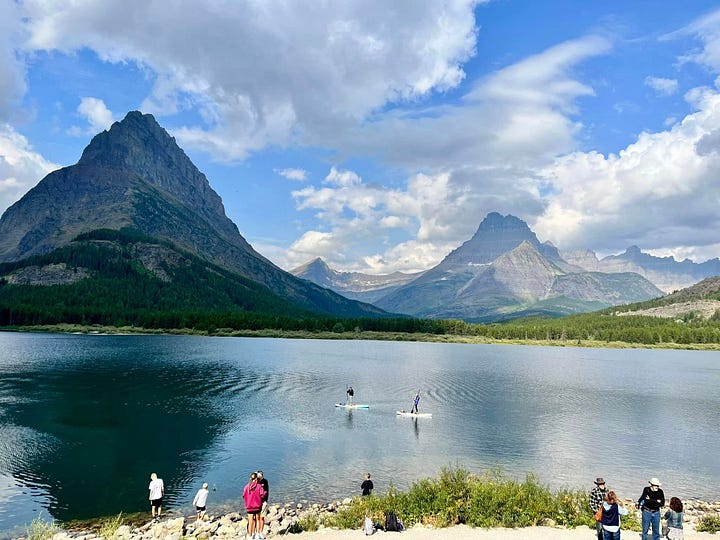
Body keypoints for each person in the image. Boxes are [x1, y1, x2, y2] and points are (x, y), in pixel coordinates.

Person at [242, 472, 266, 540]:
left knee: (250, 521)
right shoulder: (259, 486)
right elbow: (262, 495)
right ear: (256, 479)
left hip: (249, 507)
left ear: (250, 478)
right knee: (258, 520)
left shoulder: (246, 487)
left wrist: (247, 501)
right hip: (257, 506)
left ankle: (250, 535)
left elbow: (243, 495)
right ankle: (257, 535)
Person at [257, 471, 269, 539]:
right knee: (256, 518)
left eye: (259, 477)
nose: (258, 478)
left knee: (261, 517)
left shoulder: (265, 482)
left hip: (263, 502)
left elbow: (265, 492)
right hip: (256, 503)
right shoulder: (255, 482)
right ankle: (256, 532)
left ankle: (260, 532)